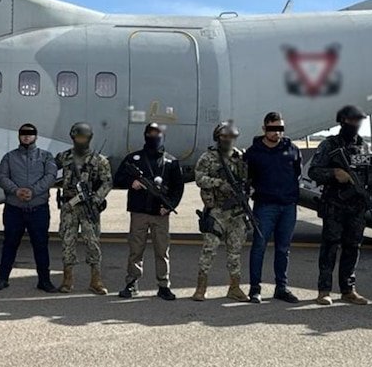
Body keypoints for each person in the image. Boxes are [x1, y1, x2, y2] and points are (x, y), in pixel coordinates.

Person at [308, 105, 372, 306]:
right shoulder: (329, 145)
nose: (356, 124)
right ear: (342, 121)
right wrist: (334, 173)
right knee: (330, 247)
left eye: (359, 120)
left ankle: (348, 290)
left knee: (353, 248)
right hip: (335, 205)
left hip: (357, 207)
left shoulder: (363, 146)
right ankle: (324, 290)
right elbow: (313, 171)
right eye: (353, 120)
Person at [114, 122, 184, 300]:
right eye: (151, 133)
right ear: (145, 135)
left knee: (162, 251)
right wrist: (132, 183)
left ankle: (163, 285)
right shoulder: (134, 158)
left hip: (160, 213)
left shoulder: (171, 162)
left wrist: (169, 206)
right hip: (139, 212)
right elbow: (118, 178)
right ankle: (131, 283)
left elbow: (178, 188)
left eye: (157, 133)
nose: (154, 137)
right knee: (135, 250)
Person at [242, 111, 302, 304]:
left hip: (288, 206)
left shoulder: (292, 149)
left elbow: (297, 173)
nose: (277, 132)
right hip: (265, 206)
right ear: (264, 128)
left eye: (280, 128)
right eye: (273, 128)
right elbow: (246, 179)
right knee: (259, 247)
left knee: (283, 249)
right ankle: (255, 289)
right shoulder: (254, 153)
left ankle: (281, 288)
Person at [0, 123, 59, 292]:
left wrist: (33, 191)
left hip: (38, 209)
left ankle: (44, 280)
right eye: (23, 133)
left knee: (41, 245)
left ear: (36, 136)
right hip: (14, 209)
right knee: (9, 244)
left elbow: (50, 176)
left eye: (30, 133)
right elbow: (2, 177)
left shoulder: (46, 156)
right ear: (19, 136)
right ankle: (2, 278)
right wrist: (16, 191)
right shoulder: (9, 157)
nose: (26, 136)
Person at [191, 121, 251, 302]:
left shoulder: (240, 157)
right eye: (224, 136)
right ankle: (201, 288)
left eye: (232, 136)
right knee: (209, 250)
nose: (228, 140)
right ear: (217, 137)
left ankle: (234, 287)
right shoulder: (208, 157)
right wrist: (218, 183)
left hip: (236, 212)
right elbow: (199, 178)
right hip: (216, 211)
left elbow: (247, 179)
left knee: (235, 252)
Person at [54, 122, 112, 295]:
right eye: (78, 137)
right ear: (72, 137)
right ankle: (67, 279)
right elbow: (49, 171)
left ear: (90, 138)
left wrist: (96, 199)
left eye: (84, 138)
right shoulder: (63, 157)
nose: (81, 140)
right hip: (69, 207)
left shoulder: (99, 160)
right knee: (67, 242)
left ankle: (96, 280)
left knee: (93, 243)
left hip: (89, 208)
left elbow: (107, 182)